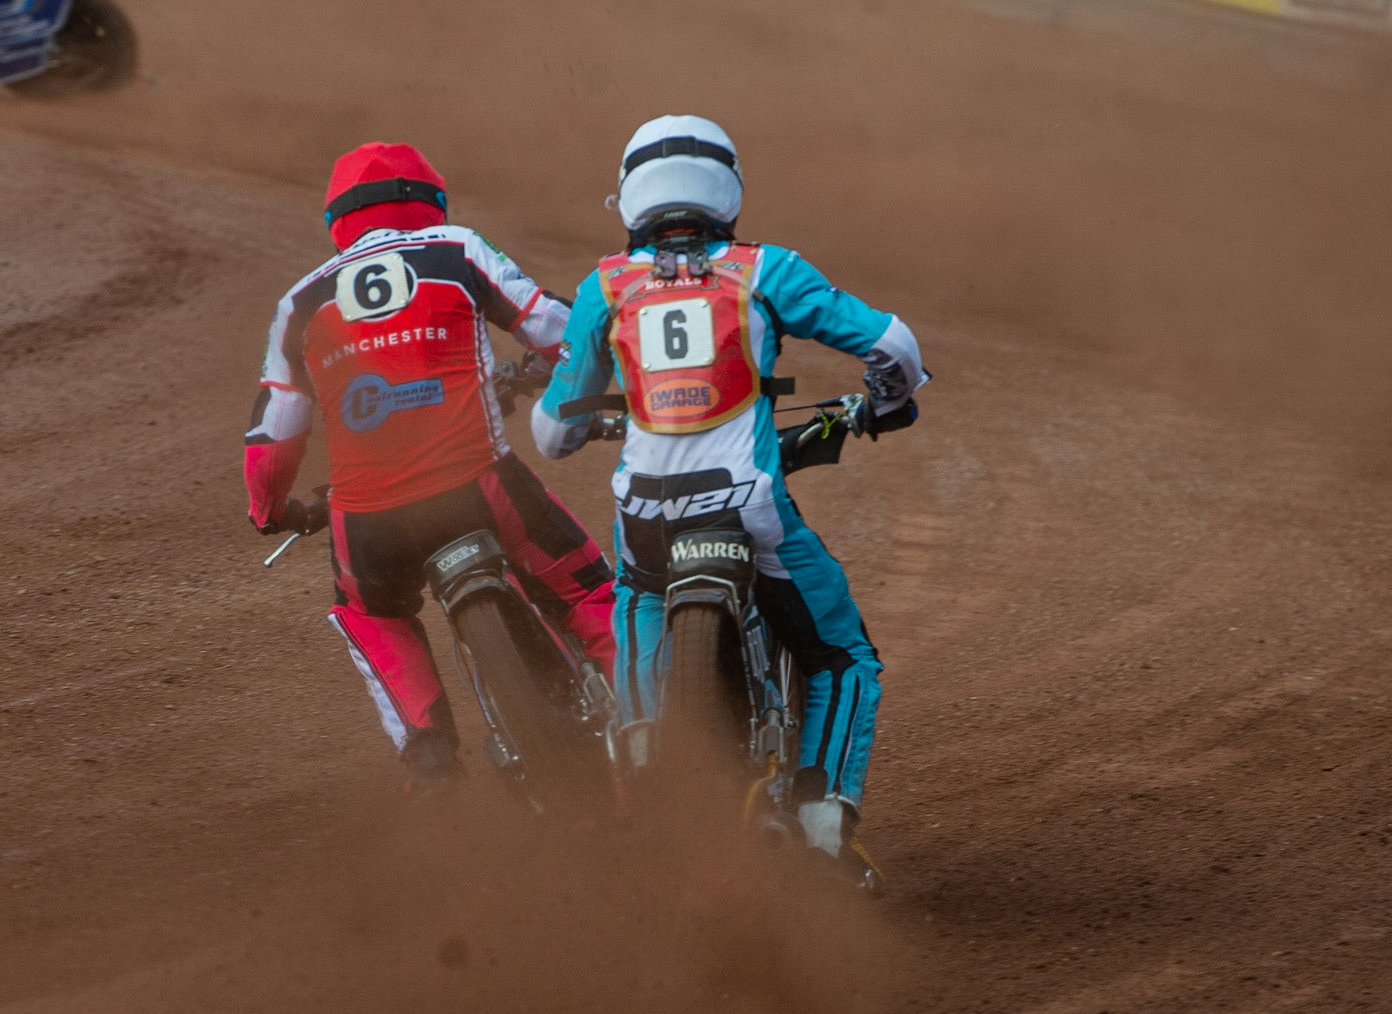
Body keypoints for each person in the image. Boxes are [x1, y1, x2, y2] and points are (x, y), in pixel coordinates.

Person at [530, 115, 926, 877]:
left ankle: (647, 757)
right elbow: (894, 347)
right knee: (841, 655)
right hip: (748, 506)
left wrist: (584, 417)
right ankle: (818, 829)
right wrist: (883, 402)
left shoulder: (604, 284)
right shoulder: (765, 269)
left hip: (642, 517)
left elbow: (552, 435)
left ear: (631, 194)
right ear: (729, 186)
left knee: (637, 600)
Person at [244, 142, 617, 790]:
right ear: (429, 203)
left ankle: (429, 750)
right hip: (477, 485)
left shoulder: (298, 303)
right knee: (589, 591)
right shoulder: (456, 249)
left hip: (365, 520)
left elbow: (274, 430)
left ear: (338, 219)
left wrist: (271, 510)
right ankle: (652, 721)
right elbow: (555, 327)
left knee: (373, 613)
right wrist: (571, 381)